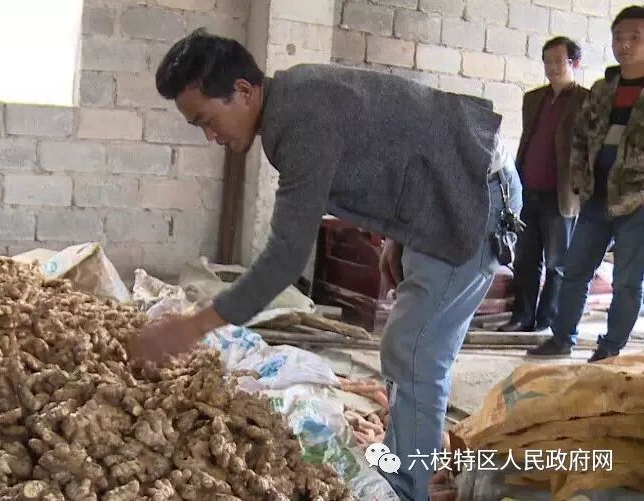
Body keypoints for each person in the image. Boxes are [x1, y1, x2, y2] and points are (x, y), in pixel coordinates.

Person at [131, 28, 522, 501]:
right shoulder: (290, 101)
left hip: (470, 197)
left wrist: (194, 326)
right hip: (440, 195)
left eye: (208, 121)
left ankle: (404, 489)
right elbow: (392, 147)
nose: (212, 136)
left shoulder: (300, 121)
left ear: (242, 90)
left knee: (414, 350)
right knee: (409, 346)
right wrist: (396, 236)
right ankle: (406, 464)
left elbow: (285, 256)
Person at [528, 5, 644, 362]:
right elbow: (579, 134)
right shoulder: (602, 89)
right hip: (596, 199)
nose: (624, 45)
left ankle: (609, 349)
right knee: (573, 270)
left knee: (626, 282)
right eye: (618, 37)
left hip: (636, 202)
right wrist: (579, 177)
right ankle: (562, 337)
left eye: (635, 38)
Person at [497, 37, 589, 333]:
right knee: (525, 261)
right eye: (547, 61)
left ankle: (546, 319)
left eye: (558, 61)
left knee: (557, 264)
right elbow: (527, 141)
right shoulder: (534, 98)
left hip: (561, 195)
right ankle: (521, 317)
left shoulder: (586, 101)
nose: (551, 68)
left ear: (575, 63)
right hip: (528, 191)